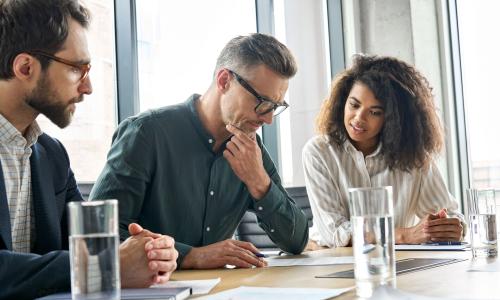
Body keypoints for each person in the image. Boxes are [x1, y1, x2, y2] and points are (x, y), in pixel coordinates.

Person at [0, 1, 177, 298]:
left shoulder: (52, 156)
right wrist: (110, 264)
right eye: (77, 69)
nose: (88, 87)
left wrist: (149, 253)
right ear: (25, 67)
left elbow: (88, 249)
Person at [90, 33, 309, 269]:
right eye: (262, 102)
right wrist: (191, 255)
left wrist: (259, 182)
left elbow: (296, 241)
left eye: (275, 107)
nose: (268, 120)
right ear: (224, 80)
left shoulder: (251, 149)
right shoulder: (146, 133)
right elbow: (98, 232)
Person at [302, 54, 465, 248]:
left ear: (392, 118)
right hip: (328, 259)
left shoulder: (414, 158)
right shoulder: (318, 152)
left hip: (395, 263)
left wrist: (450, 227)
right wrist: (404, 236)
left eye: (375, 112)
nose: (358, 118)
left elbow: (450, 214)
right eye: (354, 105)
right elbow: (335, 233)